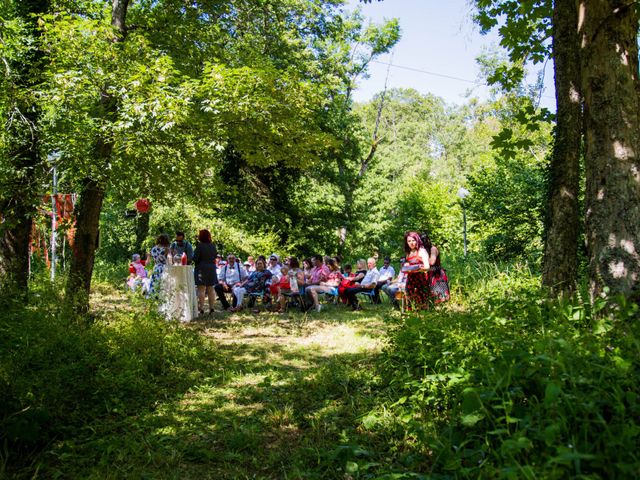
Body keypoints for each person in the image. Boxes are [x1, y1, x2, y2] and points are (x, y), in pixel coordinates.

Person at [403, 231, 432, 310]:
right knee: (409, 297)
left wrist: (418, 269)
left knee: (422, 299)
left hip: (420, 279)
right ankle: (411, 316)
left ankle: (424, 316)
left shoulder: (422, 251)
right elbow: (408, 266)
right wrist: (407, 266)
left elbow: (427, 267)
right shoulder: (408, 253)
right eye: (409, 241)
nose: (411, 243)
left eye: (413, 240)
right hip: (410, 279)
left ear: (417, 240)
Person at [193, 229, 218, 315]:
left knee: (201, 289)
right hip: (211, 268)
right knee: (211, 289)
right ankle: (211, 308)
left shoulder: (199, 246)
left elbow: (195, 258)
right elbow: (215, 255)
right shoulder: (212, 245)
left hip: (201, 268)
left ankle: (202, 308)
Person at [420, 232, 450, 303]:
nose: (424, 242)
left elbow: (432, 262)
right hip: (429, 274)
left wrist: (424, 256)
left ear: (428, 240)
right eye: (422, 241)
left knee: (442, 297)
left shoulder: (433, 249)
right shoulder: (423, 250)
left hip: (437, 274)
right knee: (433, 297)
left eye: (425, 240)